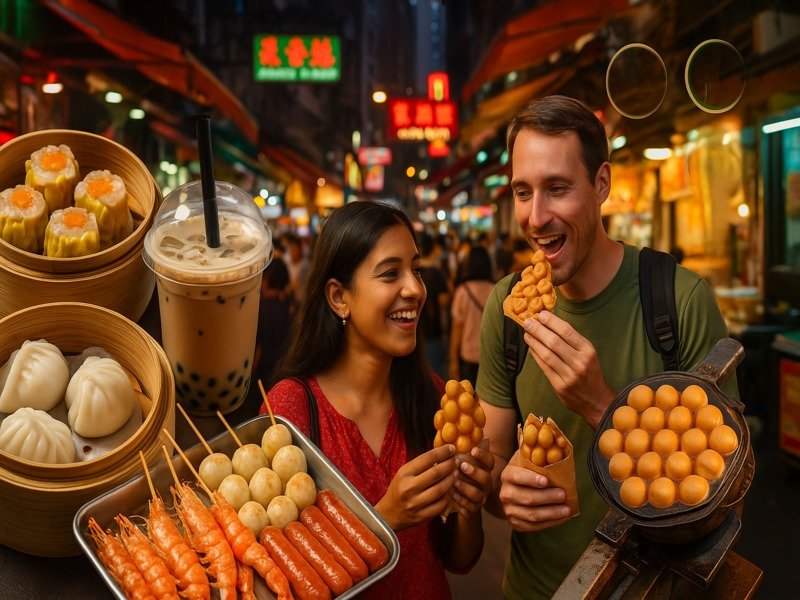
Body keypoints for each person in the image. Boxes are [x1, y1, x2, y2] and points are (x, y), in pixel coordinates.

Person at [476, 95, 737, 599]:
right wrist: (500, 493)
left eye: (557, 189)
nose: (535, 217)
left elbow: (725, 505)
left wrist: (602, 405)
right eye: (522, 192)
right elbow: (494, 469)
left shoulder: (680, 302)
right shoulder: (507, 309)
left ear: (601, 185)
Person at [260, 201, 494, 599]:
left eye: (416, 270)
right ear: (339, 297)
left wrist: (470, 507)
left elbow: (458, 559)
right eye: (391, 274)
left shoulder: (434, 397)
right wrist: (385, 518)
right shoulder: (290, 411)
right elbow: (278, 580)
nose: (416, 289)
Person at [449, 244, 495, 384]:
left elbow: (457, 328)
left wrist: (453, 361)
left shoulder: (463, 291)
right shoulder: (495, 290)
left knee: (468, 400)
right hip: (490, 356)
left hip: (468, 355)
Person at [418, 230, 451, 379]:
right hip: (433, 331)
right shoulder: (436, 273)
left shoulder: (414, 272)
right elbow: (444, 302)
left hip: (415, 331)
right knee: (436, 376)